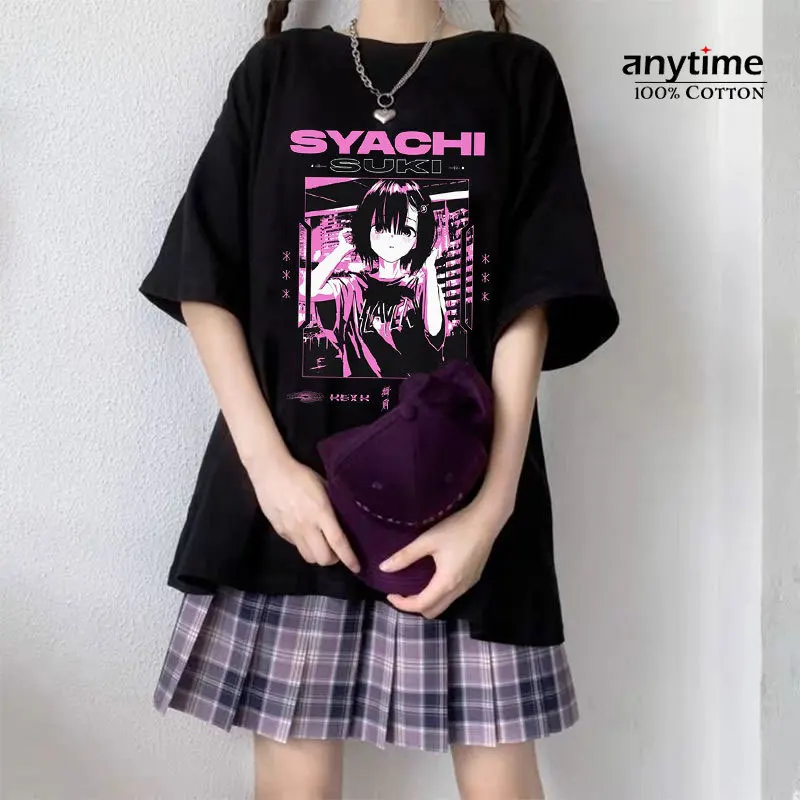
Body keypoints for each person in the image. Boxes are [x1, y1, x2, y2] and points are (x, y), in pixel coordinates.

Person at [138, 1, 621, 798]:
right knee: (295, 779)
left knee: (501, 775)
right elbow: (203, 275)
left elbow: (530, 302)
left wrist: (493, 509)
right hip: (299, 505)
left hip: (460, 497)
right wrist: (269, 473)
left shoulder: (516, 73)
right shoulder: (279, 72)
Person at [309, 179, 449, 378]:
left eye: (405, 230)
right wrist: (341, 250)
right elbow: (307, 291)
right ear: (367, 229)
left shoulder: (421, 285)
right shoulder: (354, 285)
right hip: (362, 389)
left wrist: (430, 270)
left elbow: (435, 332)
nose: (392, 239)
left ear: (417, 239)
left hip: (412, 391)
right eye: (381, 227)